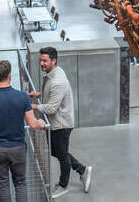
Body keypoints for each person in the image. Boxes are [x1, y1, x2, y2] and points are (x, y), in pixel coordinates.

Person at [0, 60, 46, 202]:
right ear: (9, 76)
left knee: (3, 186)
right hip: (17, 148)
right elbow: (32, 124)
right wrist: (41, 123)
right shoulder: (23, 97)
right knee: (20, 183)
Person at [29, 47, 92, 198]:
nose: (42, 64)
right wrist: (39, 94)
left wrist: (33, 106)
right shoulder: (54, 72)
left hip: (61, 124)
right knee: (56, 152)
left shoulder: (57, 81)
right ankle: (83, 170)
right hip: (57, 122)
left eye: (45, 61)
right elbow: (53, 96)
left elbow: (51, 108)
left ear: (54, 61)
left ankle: (63, 185)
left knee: (62, 156)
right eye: (40, 61)